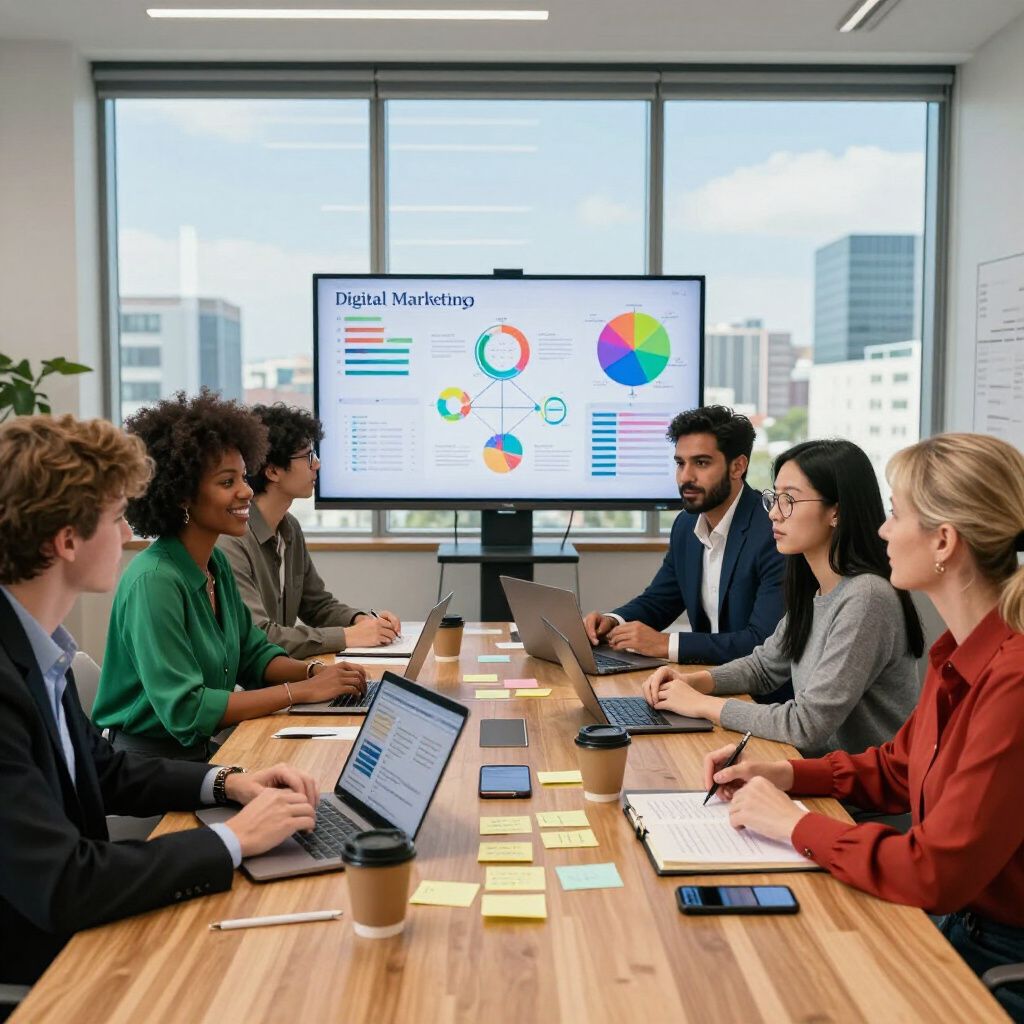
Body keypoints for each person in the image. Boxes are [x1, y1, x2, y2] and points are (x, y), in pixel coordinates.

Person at [703, 433, 1024, 1021]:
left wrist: (796, 825)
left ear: (944, 542)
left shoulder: (1013, 679)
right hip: (957, 920)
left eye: (897, 513)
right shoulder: (961, 653)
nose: (882, 529)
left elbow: (936, 870)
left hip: (994, 951)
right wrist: (785, 774)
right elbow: (897, 767)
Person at [0, 414, 323, 988]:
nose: (128, 535)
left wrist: (228, 784)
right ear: (67, 539)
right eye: (117, 516)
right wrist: (235, 838)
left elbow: (100, 767)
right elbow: (63, 885)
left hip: (76, 925)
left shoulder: (37, 652)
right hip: (48, 971)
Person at [92, 390, 367, 760]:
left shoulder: (214, 566)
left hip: (201, 751)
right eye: (227, 483)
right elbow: (188, 712)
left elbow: (255, 656)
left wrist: (315, 673)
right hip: (149, 767)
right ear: (182, 495)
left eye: (242, 477)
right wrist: (301, 691)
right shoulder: (155, 581)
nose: (246, 491)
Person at [641, 439, 923, 758]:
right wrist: (692, 681)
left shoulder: (867, 597)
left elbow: (805, 725)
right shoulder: (815, 587)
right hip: (815, 776)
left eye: (789, 499)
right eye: (775, 498)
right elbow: (764, 667)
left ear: (836, 512)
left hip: (855, 802)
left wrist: (701, 704)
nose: (774, 513)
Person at [583, 405, 785, 667]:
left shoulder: (773, 531)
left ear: (738, 467)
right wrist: (612, 621)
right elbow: (660, 600)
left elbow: (762, 642)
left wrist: (665, 644)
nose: (685, 477)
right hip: (705, 680)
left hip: (761, 697)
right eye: (680, 463)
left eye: (701, 463)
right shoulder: (686, 525)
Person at [217, 403, 400, 659]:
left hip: (280, 677)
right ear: (273, 471)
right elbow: (260, 635)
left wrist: (361, 621)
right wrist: (348, 637)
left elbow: (316, 605)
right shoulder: (231, 541)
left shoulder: (289, 526)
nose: (317, 464)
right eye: (307, 456)